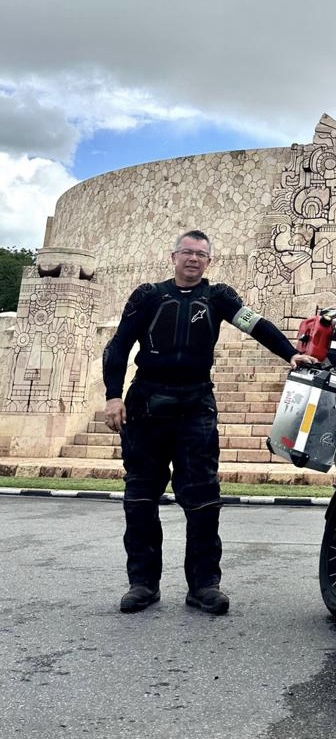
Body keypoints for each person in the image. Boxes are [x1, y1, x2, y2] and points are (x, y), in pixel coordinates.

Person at [103, 230, 314, 615]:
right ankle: (143, 584)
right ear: (174, 256)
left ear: (209, 262)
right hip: (147, 402)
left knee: (202, 499)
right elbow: (118, 344)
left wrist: (290, 355)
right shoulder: (148, 296)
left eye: (201, 254)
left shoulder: (219, 297)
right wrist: (113, 396)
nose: (194, 259)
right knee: (140, 498)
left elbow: (257, 325)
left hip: (196, 403)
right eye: (188, 252)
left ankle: (203, 586)